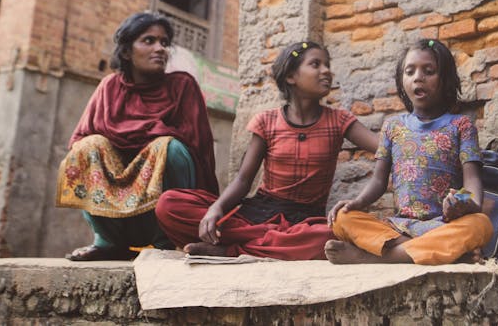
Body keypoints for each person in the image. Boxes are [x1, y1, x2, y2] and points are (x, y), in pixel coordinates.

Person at [155, 41, 378, 260]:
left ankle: (232, 250)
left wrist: (408, 135)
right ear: (291, 77)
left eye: (327, 64)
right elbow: (243, 181)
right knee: (169, 205)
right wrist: (216, 208)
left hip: (305, 222)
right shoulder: (266, 121)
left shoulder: (339, 121)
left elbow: (383, 148)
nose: (326, 71)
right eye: (316, 64)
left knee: (327, 238)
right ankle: (265, 244)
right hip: (258, 214)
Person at [56, 12, 218, 261]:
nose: (160, 49)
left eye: (164, 43)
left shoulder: (182, 85)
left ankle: (167, 242)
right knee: (87, 146)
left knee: (170, 147)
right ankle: (107, 241)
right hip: (117, 209)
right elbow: (79, 142)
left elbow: (196, 152)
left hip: (165, 211)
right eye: (149, 40)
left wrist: (151, 150)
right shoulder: (109, 87)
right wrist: (122, 168)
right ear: (127, 52)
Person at [325, 39, 493, 265]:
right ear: (401, 80)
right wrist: (356, 201)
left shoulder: (461, 126)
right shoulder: (393, 126)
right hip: (399, 226)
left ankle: (374, 257)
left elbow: (473, 186)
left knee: (480, 225)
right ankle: (432, 252)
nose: (418, 77)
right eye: (410, 71)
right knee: (343, 219)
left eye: (429, 71)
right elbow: (378, 182)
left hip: (442, 225)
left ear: (445, 80)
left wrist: (461, 201)